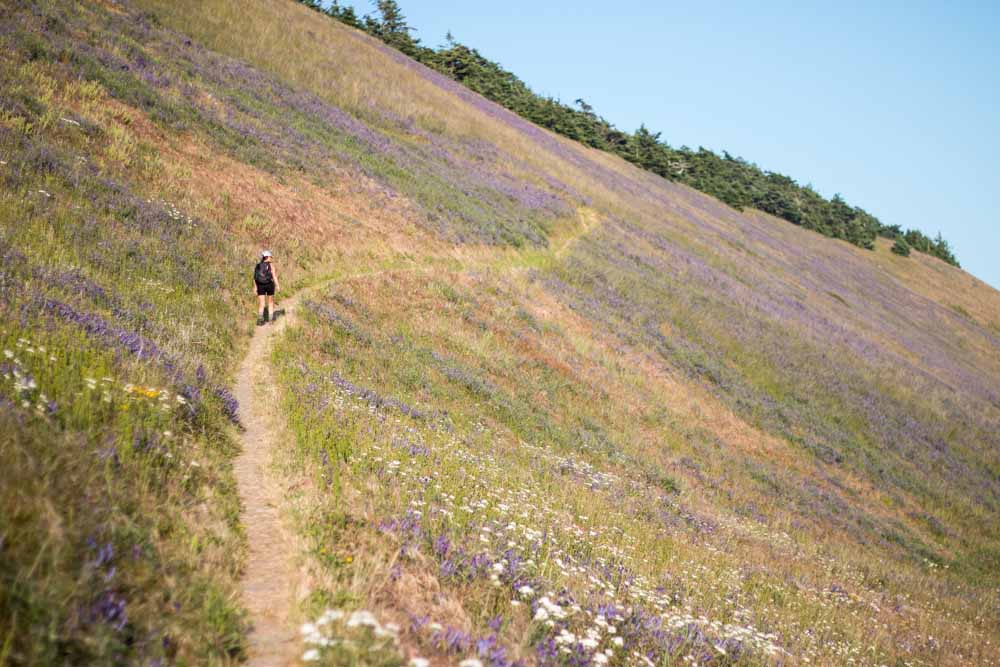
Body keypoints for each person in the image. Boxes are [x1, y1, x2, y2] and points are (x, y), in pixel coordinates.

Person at [253, 250, 279, 325]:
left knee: (262, 303)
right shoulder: (271, 265)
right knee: (270, 302)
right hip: (269, 285)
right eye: (270, 257)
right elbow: (274, 276)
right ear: (267, 257)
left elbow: (255, 278)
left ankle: (260, 320)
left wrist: (255, 287)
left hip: (260, 285)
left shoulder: (258, 265)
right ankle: (271, 320)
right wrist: (277, 285)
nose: (271, 258)